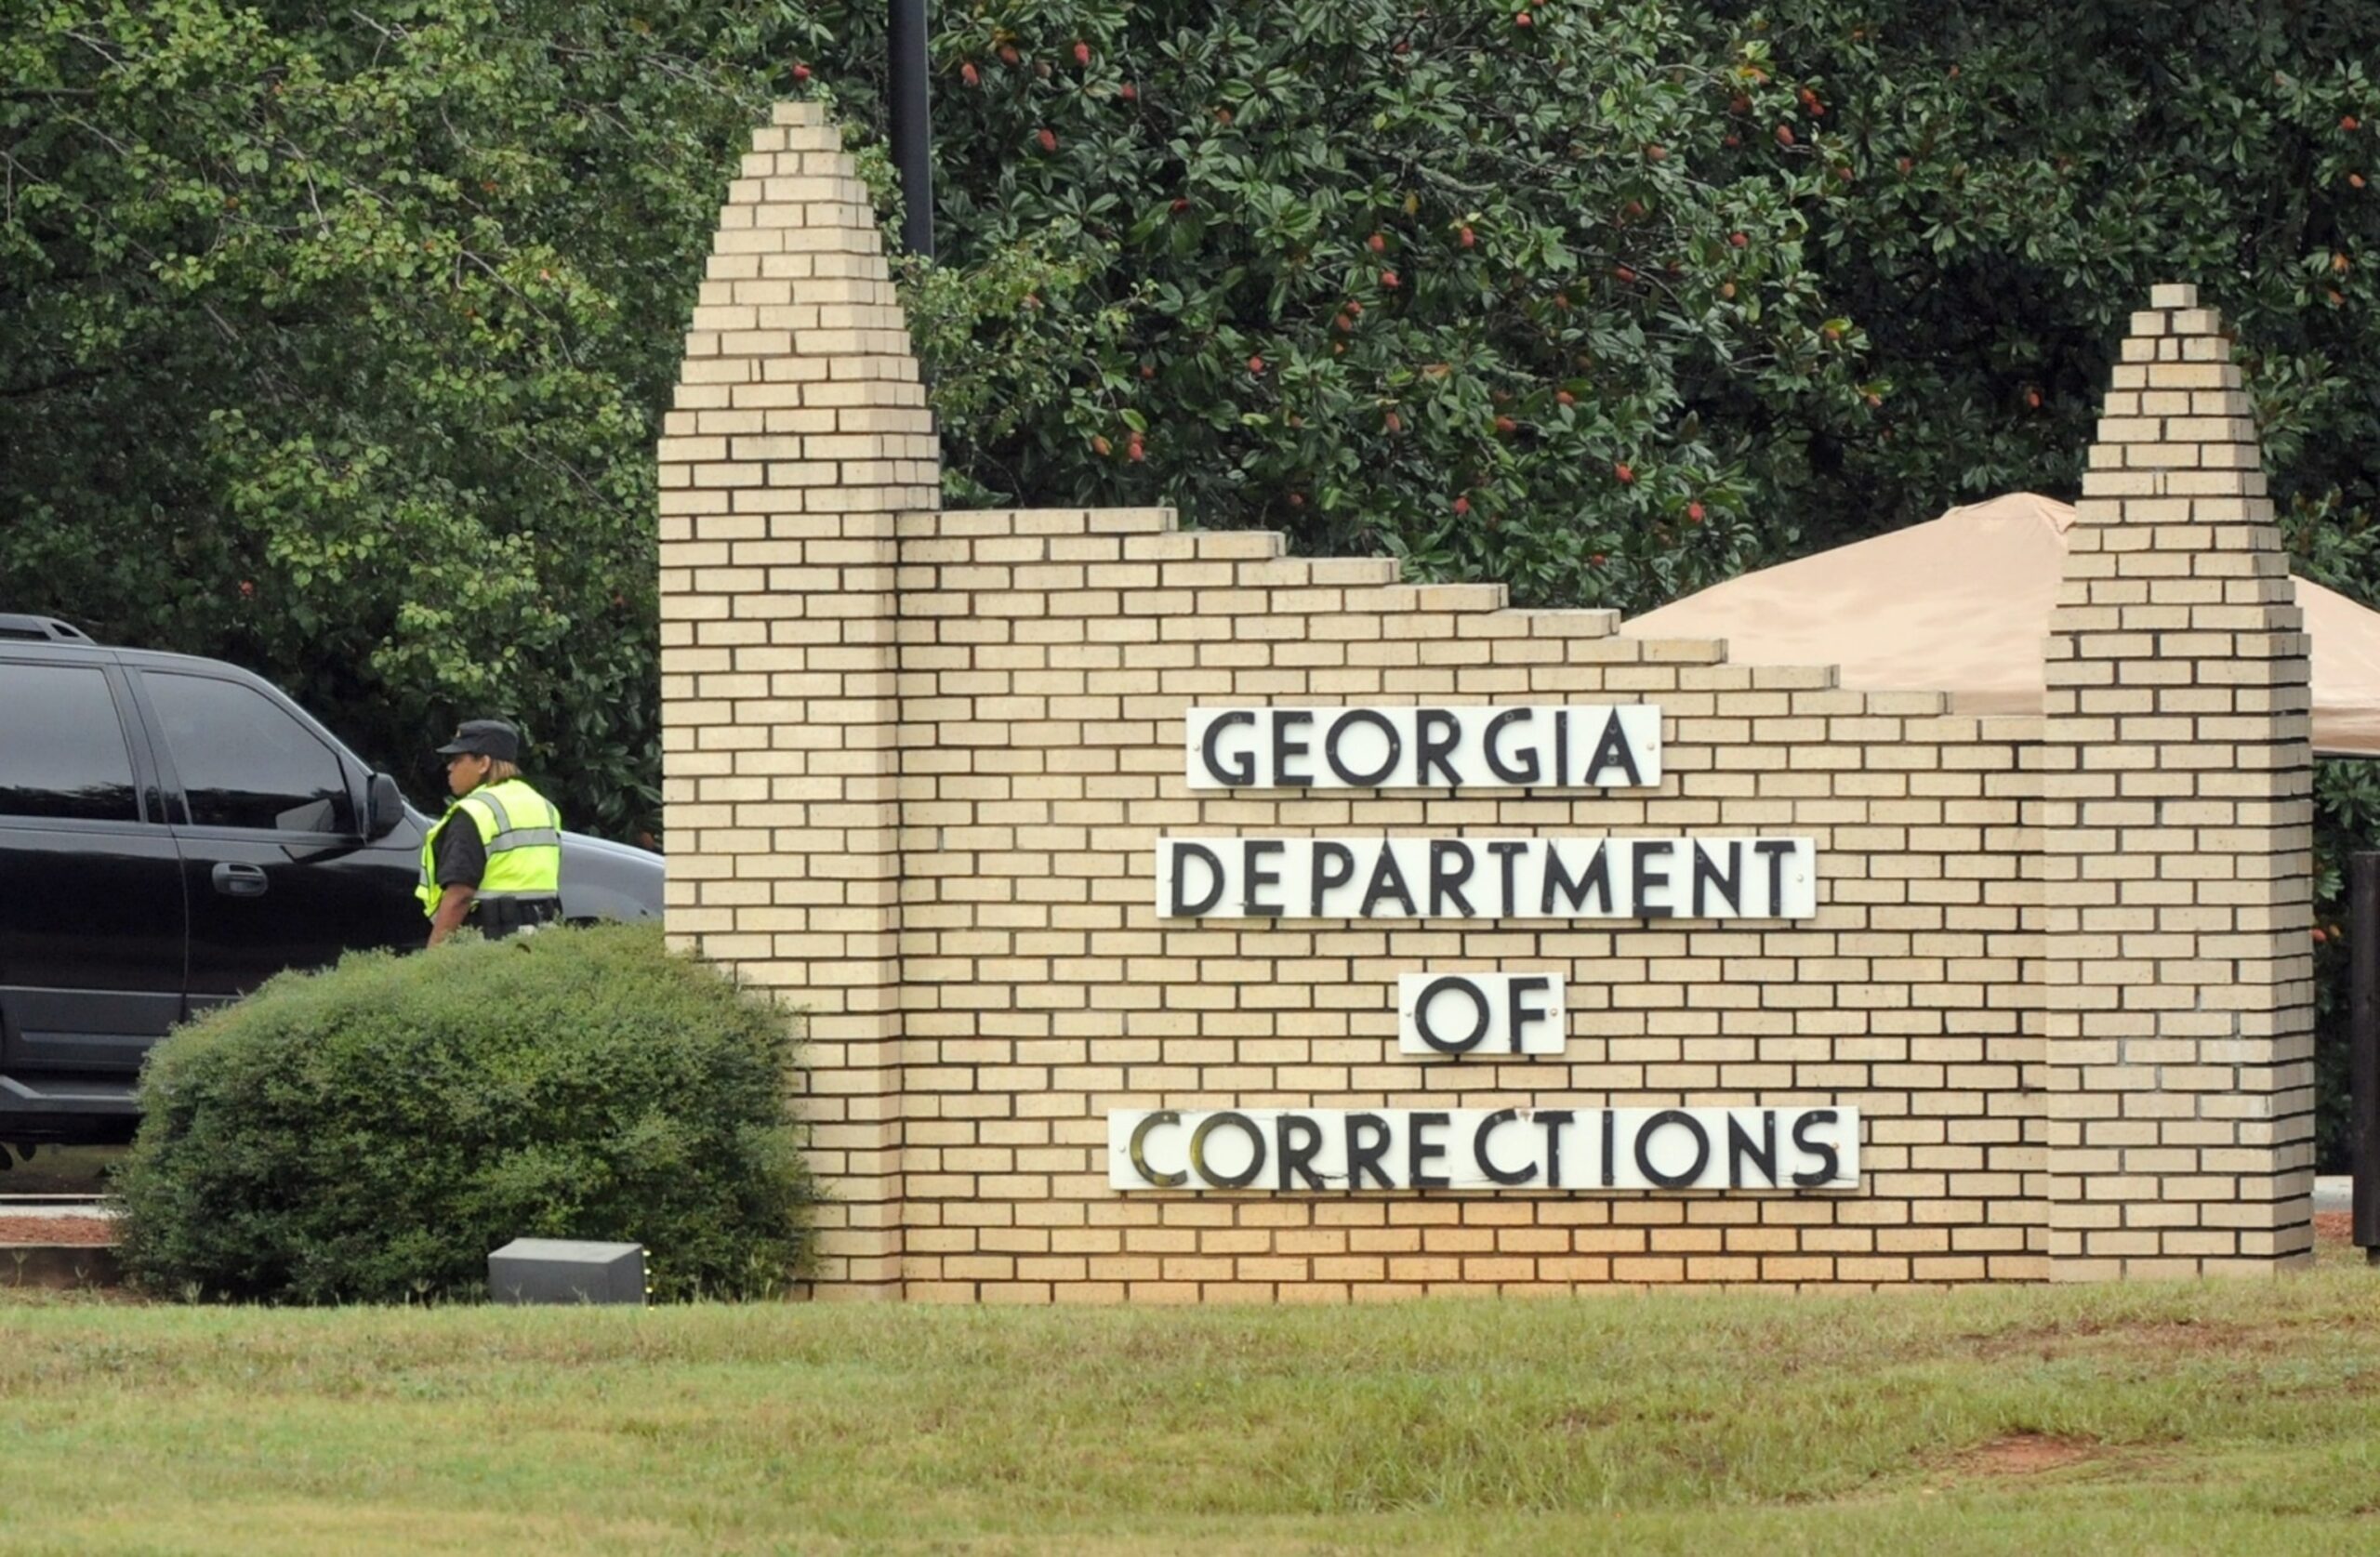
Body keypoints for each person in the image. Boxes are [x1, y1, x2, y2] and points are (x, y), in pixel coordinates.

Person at [417, 719, 563, 946]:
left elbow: (460, 894)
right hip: (541, 941)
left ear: (483, 763)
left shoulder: (475, 811)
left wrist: (434, 956)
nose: (449, 767)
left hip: (489, 945)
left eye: (457, 760)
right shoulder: (544, 806)